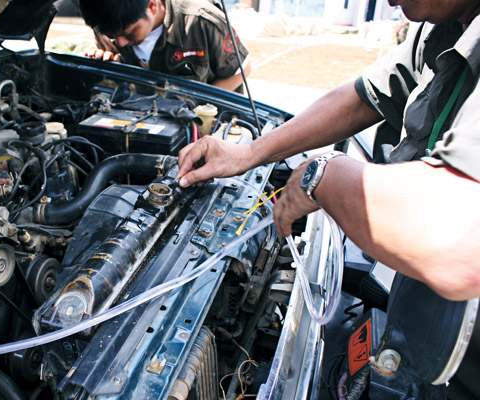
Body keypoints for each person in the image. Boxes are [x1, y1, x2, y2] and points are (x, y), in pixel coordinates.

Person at [177, 0, 480, 303]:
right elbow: (365, 97)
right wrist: (248, 152)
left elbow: (461, 243)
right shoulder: (443, 26)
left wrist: (322, 175)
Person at [77, 0, 251, 92]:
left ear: (152, 6)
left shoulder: (199, 20)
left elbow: (241, 70)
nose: (120, 42)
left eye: (128, 32)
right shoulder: (109, 21)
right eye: (112, 36)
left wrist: (203, 105)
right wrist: (105, 58)